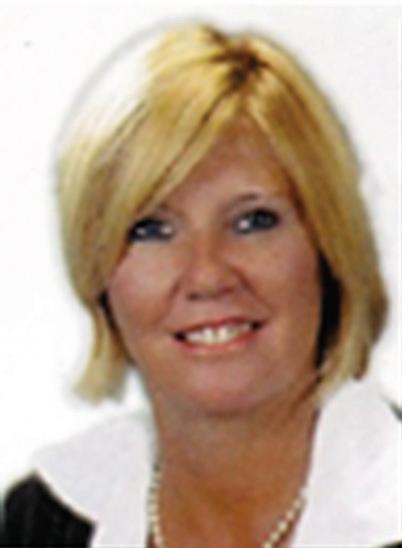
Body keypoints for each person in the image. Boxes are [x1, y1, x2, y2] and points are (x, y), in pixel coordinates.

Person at [1, 20, 400, 548]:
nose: (208, 275)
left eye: (253, 221)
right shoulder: (40, 523)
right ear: (98, 275)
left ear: (329, 248)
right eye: (151, 229)